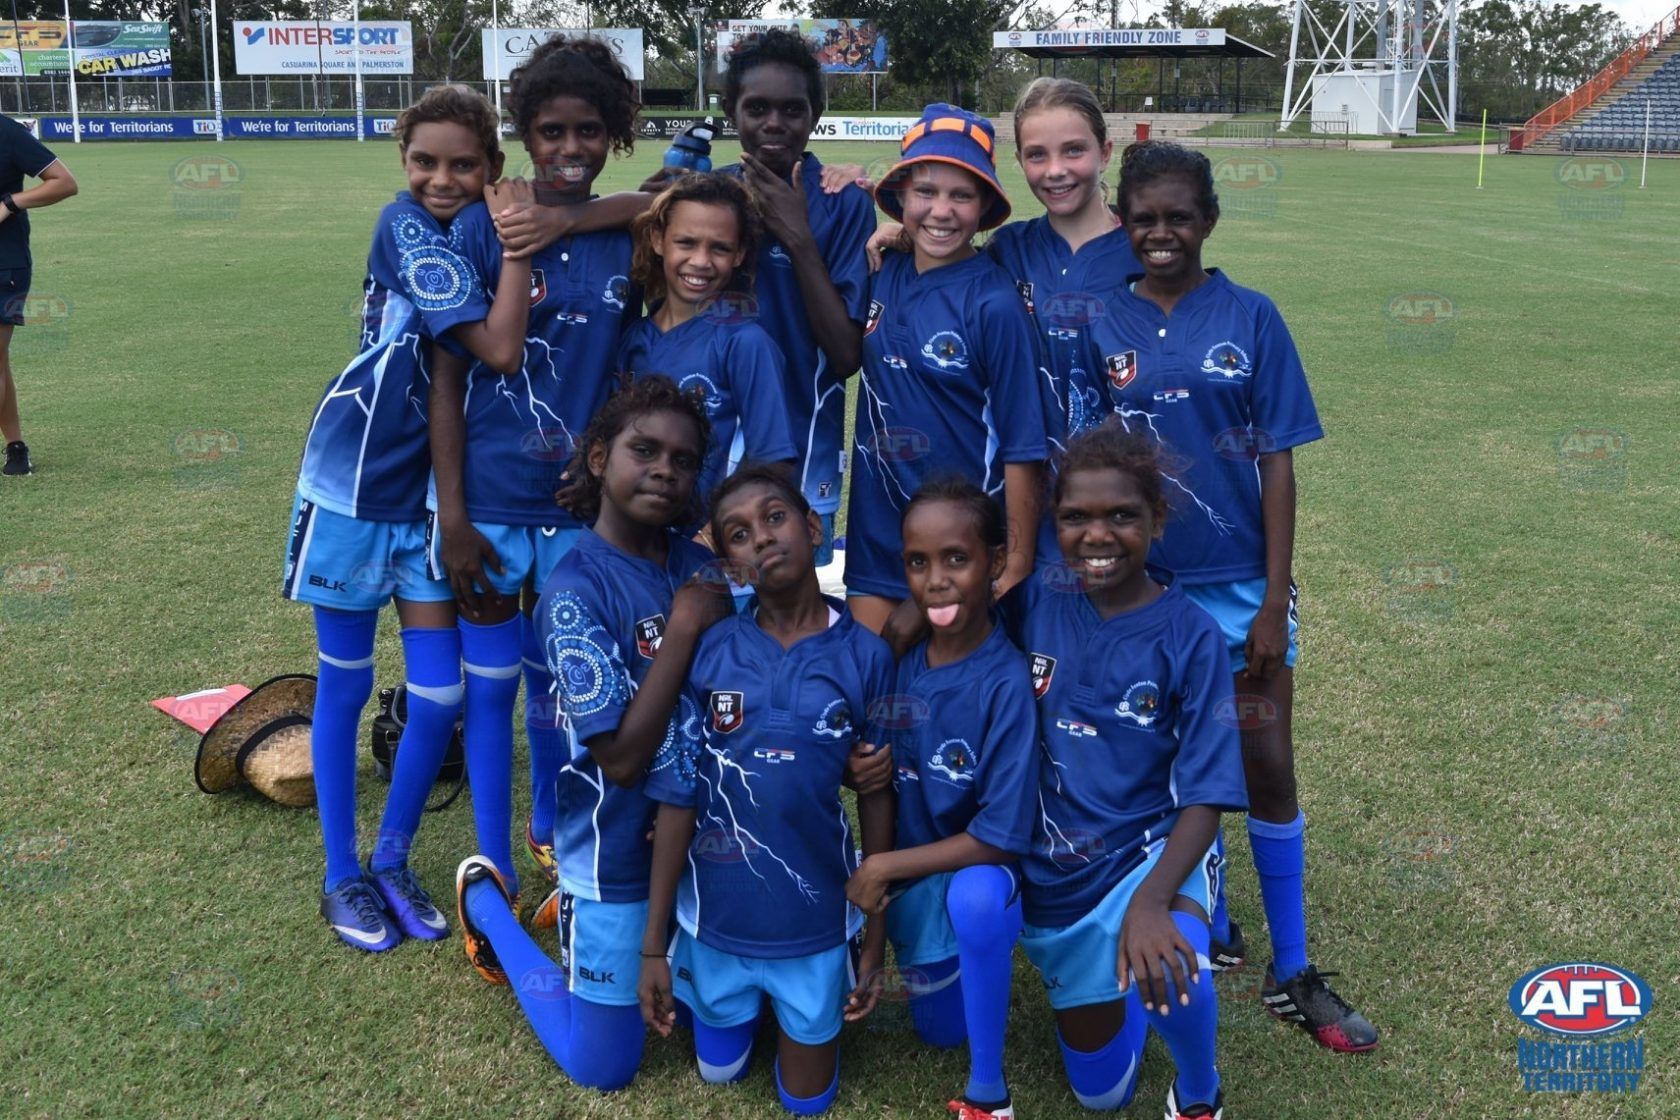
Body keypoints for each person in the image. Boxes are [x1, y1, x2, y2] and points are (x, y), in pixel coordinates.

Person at [1086, 140, 1379, 1052]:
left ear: (1208, 220)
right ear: (1124, 226)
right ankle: (1204, 924)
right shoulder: (1099, 321)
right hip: (1146, 591)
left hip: (1241, 585)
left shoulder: (1251, 316)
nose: (1161, 233)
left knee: (1265, 763)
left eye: (1178, 216)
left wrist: (1271, 599)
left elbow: (1278, 462)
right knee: (1166, 761)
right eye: (1144, 219)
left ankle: (1293, 970)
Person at [284, 85, 530, 953]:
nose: (442, 176)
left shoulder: (478, 226)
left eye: (464, 163)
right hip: (354, 487)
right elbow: (495, 348)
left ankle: (391, 859)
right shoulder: (406, 226)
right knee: (347, 684)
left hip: (430, 497)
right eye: (424, 160)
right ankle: (340, 875)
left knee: (440, 692)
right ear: (402, 162)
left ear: (493, 167)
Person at [454, 377, 726, 1092]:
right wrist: (688, 627)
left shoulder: (699, 567)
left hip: (709, 849)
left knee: (732, 1025)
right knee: (603, 1067)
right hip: (614, 855)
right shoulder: (574, 591)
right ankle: (490, 909)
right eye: (645, 450)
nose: (666, 469)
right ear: (600, 458)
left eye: (684, 459)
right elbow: (625, 757)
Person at [428, 34, 642, 903]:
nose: (567, 150)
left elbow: (686, 196)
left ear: (613, 135)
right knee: (493, 686)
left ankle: (553, 828)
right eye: (549, 131)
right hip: (488, 500)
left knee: (566, 677)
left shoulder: (635, 231)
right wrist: (452, 514)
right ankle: (495, 854)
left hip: (579, 506)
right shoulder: (479, 228)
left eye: (588, 131)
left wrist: (577, 215)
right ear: (523, 131)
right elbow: (446, 380)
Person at [998, 421, 1248, 1119]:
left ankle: (1199, 1092)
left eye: (1121, 516)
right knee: (1100, 1095)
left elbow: (1207, 794)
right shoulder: (1034, 603)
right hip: (1060, 871)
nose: (1097, 535)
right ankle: (1115, 997)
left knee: (1177, 966)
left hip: (1154, 855)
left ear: (1156, 520)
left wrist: (1149, 901)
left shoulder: (1191, 634)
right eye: (1076, 518)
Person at [638, 464, 895, 1116]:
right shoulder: (712, 649)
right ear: (730, 563)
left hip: (811, 922)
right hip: (718, 920)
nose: (763, 538)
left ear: (813, 528)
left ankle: (800, 1003)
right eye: (740, 534)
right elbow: (677, 792)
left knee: (806, 1102)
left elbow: (875, 792)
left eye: (775, 518)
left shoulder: (867, 656)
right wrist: (652, 944)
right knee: (717, 1073)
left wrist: (873, 940)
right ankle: (731, 1000)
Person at [845, 480, 1039, 1120]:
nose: (936, 580)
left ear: (996, 561)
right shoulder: (896, 662)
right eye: (918, 563)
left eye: (956, 559)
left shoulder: (1007, 681)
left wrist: (883, 870)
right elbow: (876, 793)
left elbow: (1001, 836)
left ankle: (984, 947)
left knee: (941, 1028)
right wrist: (873, 939)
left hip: (966, 875)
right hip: (902, 882)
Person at [845, 104, 1047, 634]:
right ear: (902, 197)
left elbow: (1023, 445)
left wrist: (1018, 557)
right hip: (877, 536)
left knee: (945, 699)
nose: (941, 211)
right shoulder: (881, 271)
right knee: (872, 691)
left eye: (961, 196)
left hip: (960, 547)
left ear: (983, 207)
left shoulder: (994, 302)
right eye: (926, 193)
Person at [719, 28, 875, 561]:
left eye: (792, 109)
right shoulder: (706, 196)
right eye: (757, 107)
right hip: (712, 447)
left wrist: (798, 235)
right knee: (715, 604)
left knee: (793, 607)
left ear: (814, 115)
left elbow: (846, 355)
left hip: (807, 446)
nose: (774, 124)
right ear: (730, 111)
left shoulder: (843, 201)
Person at [617, 172, 797, 524]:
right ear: (658, 239)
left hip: (703, 554)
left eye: (719, 248)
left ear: (740, 253)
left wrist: (714, 535)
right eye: (686, 242)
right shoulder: (632, 338)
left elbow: (773, 461)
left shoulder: (746, 343)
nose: (701, 261)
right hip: (637, 544)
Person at [0, 115, 77, 476]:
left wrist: (11, 203)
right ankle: (16, 446)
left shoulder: (7, 133)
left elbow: (64, 182)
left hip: (4, 263)